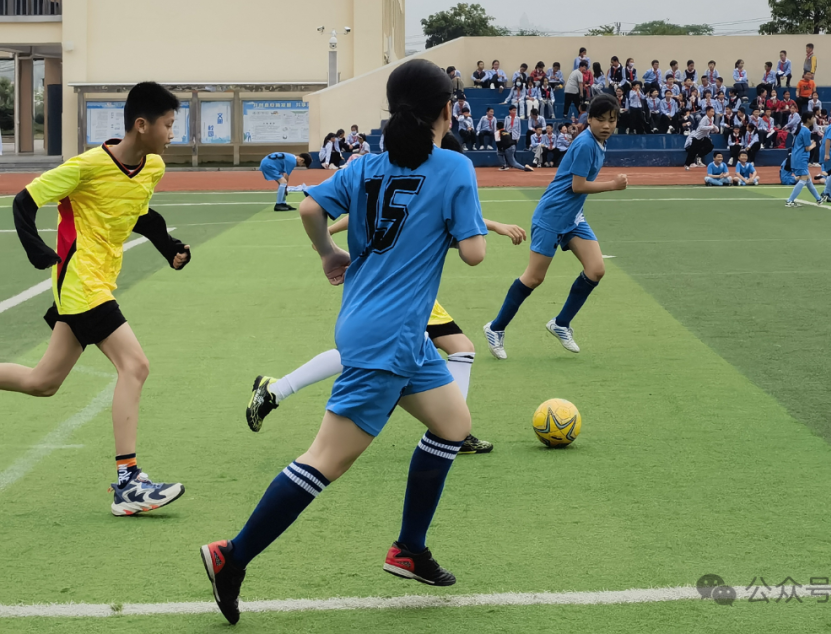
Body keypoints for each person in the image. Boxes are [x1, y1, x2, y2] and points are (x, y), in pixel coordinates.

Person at [201, 60, 490, 625]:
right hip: (388, 339)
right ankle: (231, 556)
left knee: (453, 425)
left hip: (388, 331)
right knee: (325, 460)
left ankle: (409, 548)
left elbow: (310, 207)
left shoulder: (364, 166)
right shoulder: (454, 166)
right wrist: (452, 231)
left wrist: (329, 254)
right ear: (445, 110)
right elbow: (475, 252)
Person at [246, 135, 529, 457]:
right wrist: (492, 227)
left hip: (379, 290)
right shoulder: (438, 176)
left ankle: (276, 389)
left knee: (372, 351)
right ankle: (454, 431)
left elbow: (362, 212)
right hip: (401, 290)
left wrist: (327, 241)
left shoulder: (388, 174)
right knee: (448, 349)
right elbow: (470, 246)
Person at [3, 82, 191, 516]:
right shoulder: (86, 166)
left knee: (43, 382)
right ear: (141, 125)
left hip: (100, 282)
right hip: (80, 282)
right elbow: (24, 201)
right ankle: (129, 484)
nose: (171, 133)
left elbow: (138, 213)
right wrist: (39, 251)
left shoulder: (153, 167)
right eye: (167, 125)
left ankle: (129, 483)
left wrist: (169, 248)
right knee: (135, 365)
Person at [484, 95, 626, 359]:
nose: (607, 125)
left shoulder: (599, 141)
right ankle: (495, 328)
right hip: (551, 216)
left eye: (612, 120)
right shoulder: (585, 144)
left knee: (596, 269)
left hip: (573, 217)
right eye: (601, 120)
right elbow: (578, 186)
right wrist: (613, 185)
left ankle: (561, 323)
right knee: (534, 277)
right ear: (589, 120)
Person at [784, 112, 823, 207]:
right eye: (813, 117)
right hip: (801, 157)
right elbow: (807, 148)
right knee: (803, 179)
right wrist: (813, 145)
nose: (814, 119)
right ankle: (790, 200)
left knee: (808, 179)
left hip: (797, 156)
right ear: (808, 119)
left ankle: (818, 199)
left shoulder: (800, 129)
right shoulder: (806, 131)